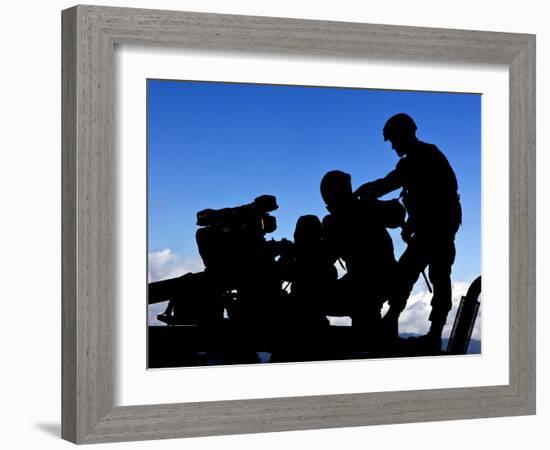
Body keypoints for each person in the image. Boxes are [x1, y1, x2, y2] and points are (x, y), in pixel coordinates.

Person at [355, 113, 462, 354]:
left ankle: (412, 328)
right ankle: (415, 328)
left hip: (436, 230)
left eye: (393, 139)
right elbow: (423, 196)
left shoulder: (420, 158)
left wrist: (365, 192)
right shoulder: (424, 156)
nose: (392, 145)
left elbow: (391, 184)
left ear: (404, 134)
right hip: (436, 228)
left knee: (411, 273)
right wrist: (414, 224)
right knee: (426, 275)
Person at [321, 170, 405, 350]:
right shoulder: (365, 208)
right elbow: (397, 215)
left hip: (366, 285)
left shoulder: (341, 219)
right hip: (384, 281)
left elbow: (325, 257)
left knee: (314, 299)